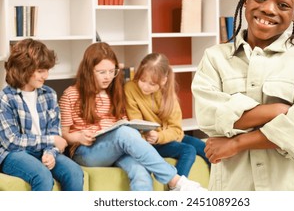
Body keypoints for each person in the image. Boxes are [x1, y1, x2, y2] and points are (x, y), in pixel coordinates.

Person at [191, 0, 294, 191]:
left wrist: (237, 142)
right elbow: (208, 117)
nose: (268, 9)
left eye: (283, 5)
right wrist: (278, 111)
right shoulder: (214, 58)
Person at [59, 42, 206, 191]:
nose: (108, 77)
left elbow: (124, 122)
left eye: (112, 71)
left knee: (141, 172)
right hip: (86, 151)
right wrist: (78, 137)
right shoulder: (71, 94)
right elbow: (64, 133)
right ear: (88, 70)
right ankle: (175, 181)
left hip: (116, 149)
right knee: (124, 132)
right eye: (102, 72)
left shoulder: (115, 93)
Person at [0, 39, 84, 191]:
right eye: (40, 71)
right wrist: (50, 141)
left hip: (42, 150)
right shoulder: (6, 97)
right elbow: (11, 141)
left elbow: (54, 131)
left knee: (75, 172)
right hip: (13, 154)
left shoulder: (49, 94)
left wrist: (50, 153)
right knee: (42, 175)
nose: (45, 75)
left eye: (46, 70)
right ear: (23, 68)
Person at [124, 53, 210, 177]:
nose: (145, 86)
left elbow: (176, 129)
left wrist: (159, 136)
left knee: (208, 149)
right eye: (142, 80)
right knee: (188, 150)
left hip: (166, 136)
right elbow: (136, 123)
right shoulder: (130, 89)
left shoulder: (168, 95)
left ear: (163, 81)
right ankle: (177, 187)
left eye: (152, 84)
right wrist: (153, 137)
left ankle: (220, 187)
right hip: (150, 142)